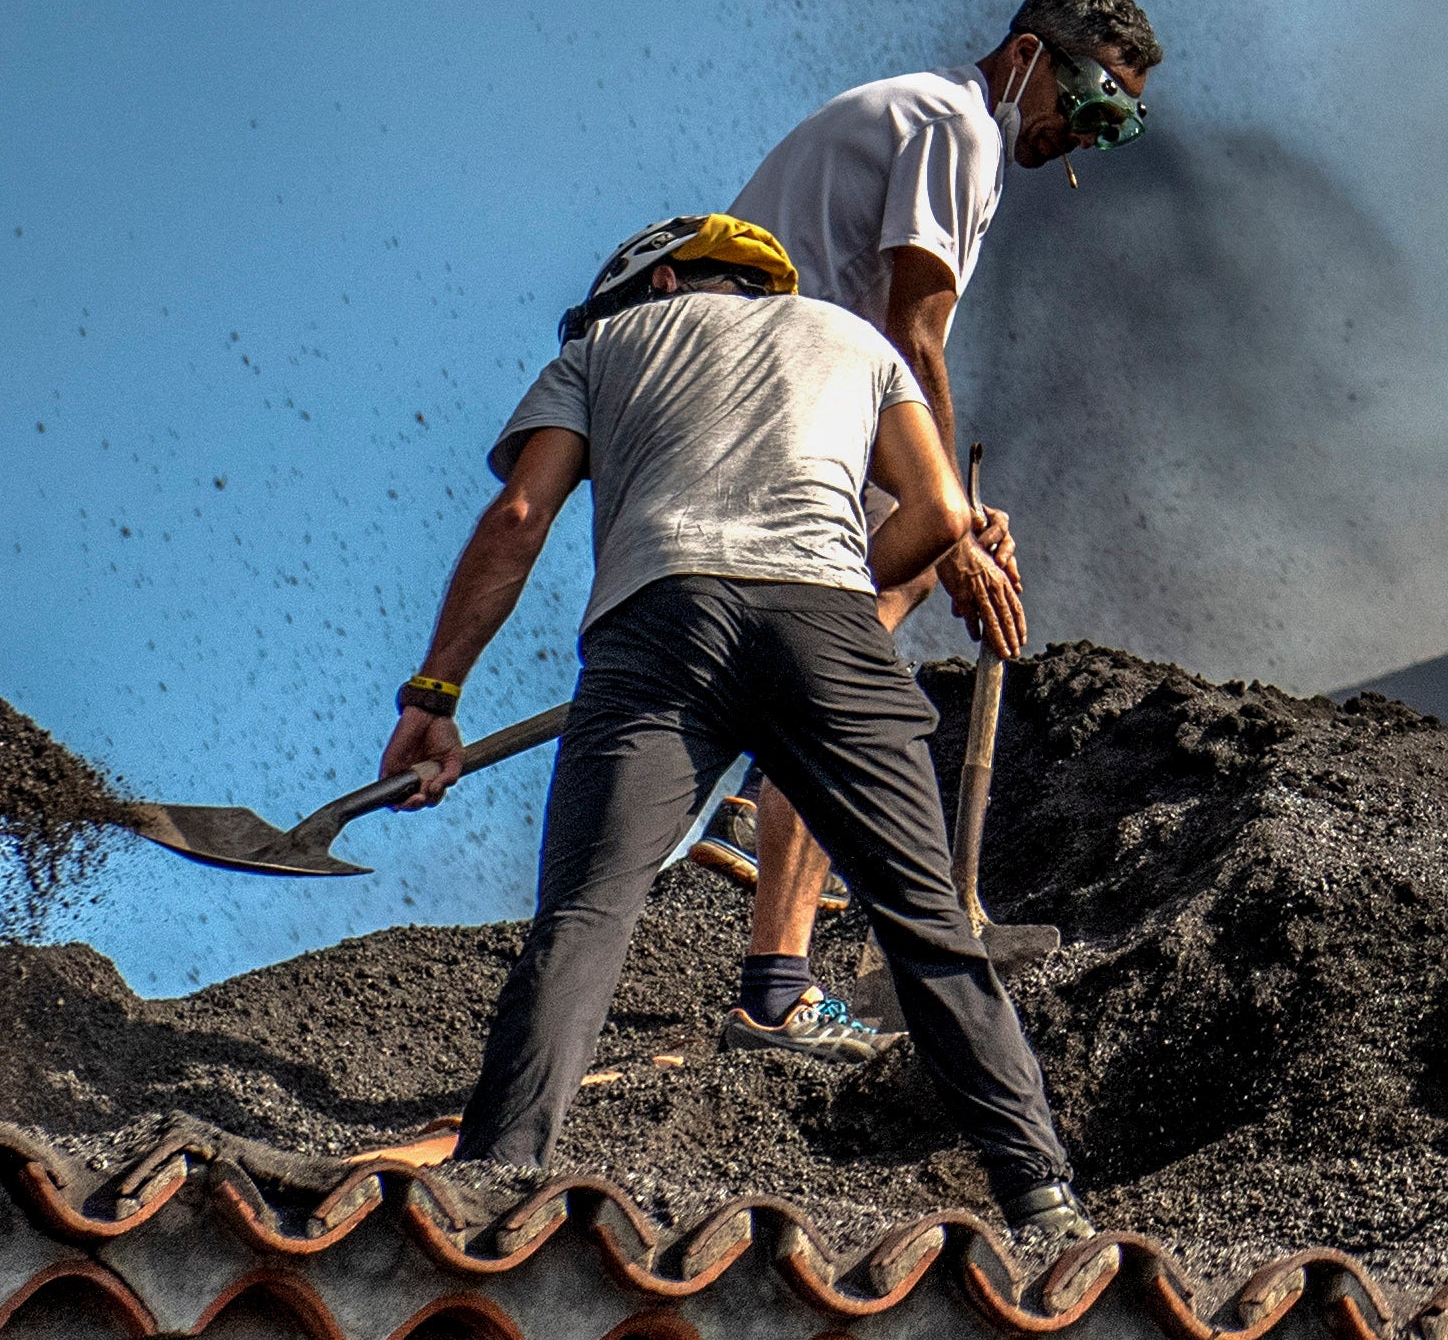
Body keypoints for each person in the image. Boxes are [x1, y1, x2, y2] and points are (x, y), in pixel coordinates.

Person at [380, 208, 1089, 1234]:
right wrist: (829, 591)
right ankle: (1043, 1198)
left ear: (660, 283)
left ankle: (497, 1178)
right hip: (829, 628)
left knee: (585, 915)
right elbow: (937, 518)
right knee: (925, 920)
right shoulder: (857, 342)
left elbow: (520, 518)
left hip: (657, 626)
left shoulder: (604, 344)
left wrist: (434, 696)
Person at [686, 0, 1163, 1047]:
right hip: (768, 403)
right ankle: (775, 934)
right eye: (1088, 98)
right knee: (849, 654)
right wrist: (948, 521)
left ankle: (770, 764)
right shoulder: (959, 127)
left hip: (763, 400)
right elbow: (915, 332)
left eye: (1112, 126)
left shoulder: (933, 119)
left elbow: (892, 353)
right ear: (1031, 55)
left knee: (876, 601)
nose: (1082, 133)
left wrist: (951, 508)